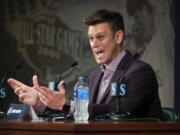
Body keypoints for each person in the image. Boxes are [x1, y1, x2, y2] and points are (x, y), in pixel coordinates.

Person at [7, 9, 163, 120]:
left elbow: (118, 111)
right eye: (91, 38)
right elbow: (79, 114)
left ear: (118, 37)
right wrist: (40, 103)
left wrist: (65, 104)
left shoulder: (140, 72)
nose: (94, 44)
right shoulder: (92, 77)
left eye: (100, 37)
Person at [126, 0, 174, 108]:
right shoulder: (135, 60)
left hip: (169, 121)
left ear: (151, 14)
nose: (135, 23)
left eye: (138, 16)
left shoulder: (163, 39)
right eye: (132, 18)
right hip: (147, 122)